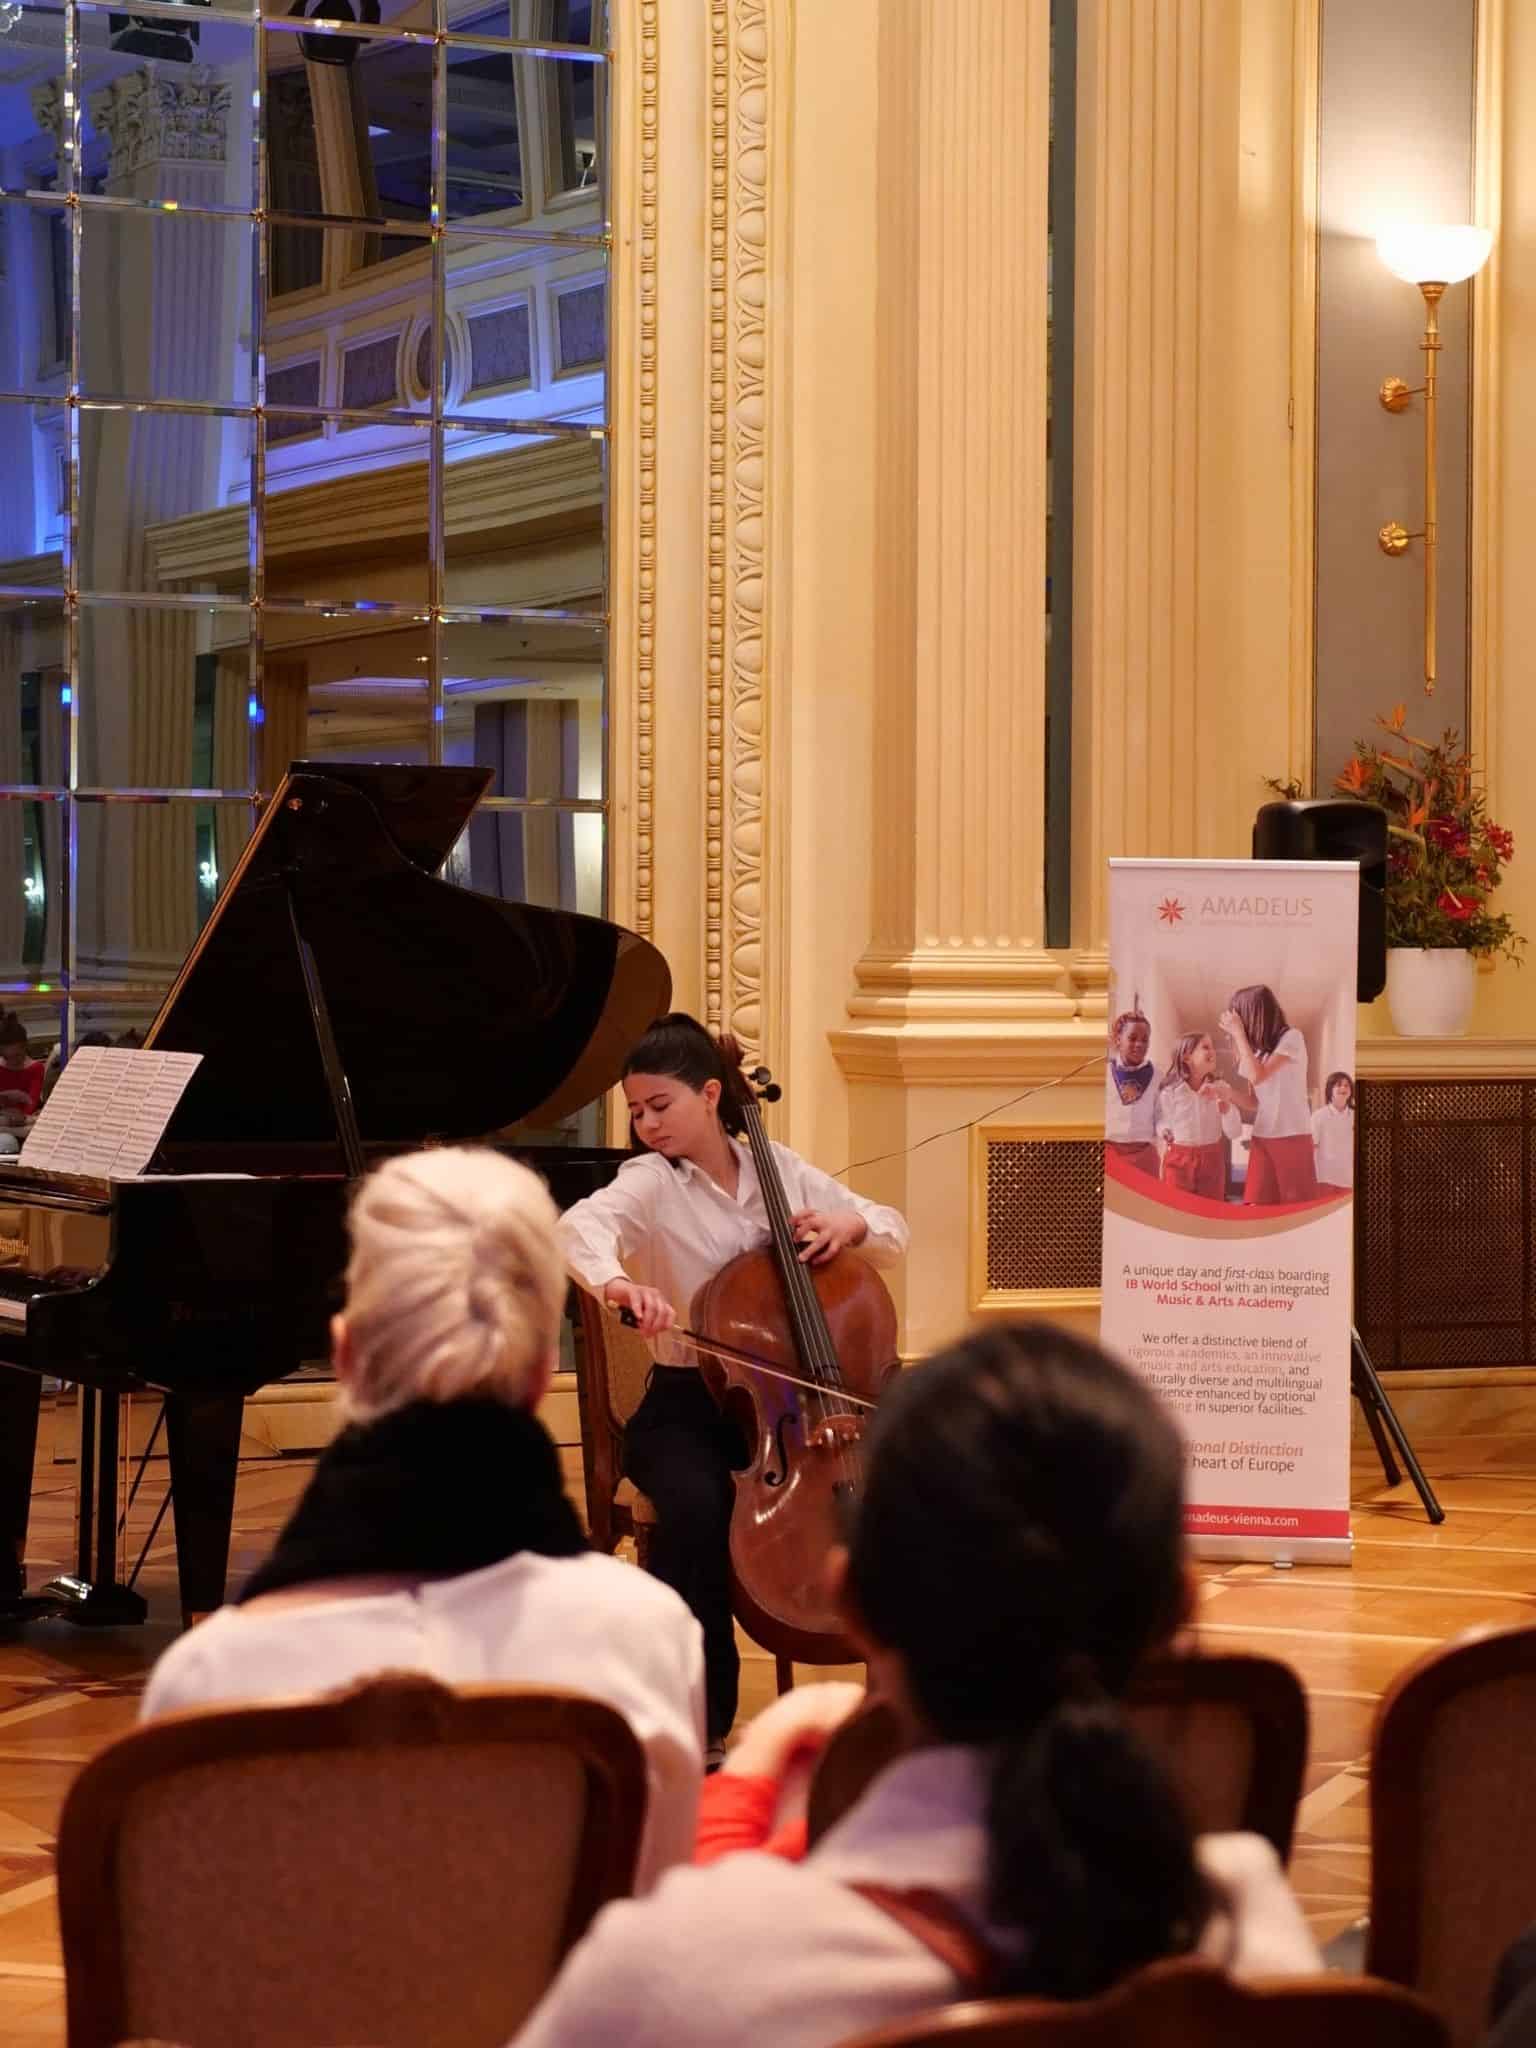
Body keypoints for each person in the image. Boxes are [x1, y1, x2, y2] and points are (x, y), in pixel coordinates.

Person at [509, 1324, 1320, 2048]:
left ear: (853, 1604)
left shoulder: (679, 1973)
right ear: (1176, 1611)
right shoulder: (1253, 1933)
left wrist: (748, 1778)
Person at [140, 1146, 705, 1893]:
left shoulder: (207, 1679)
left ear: (345, 1355)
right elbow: (643, 1919)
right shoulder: (649, 1636)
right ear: (543, 1374)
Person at [557, 1012, 908, 1761]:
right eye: (637, 1111)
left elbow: (891, 1229)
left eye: (661, 1105)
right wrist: (620, 1285)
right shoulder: (651, 1182)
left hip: (798, 1405)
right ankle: (700, 1718)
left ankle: (898, 1694)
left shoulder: (776, 1167)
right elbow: (576, 1231)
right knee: (694, 1508)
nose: (647, 1125)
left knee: (904, 1489)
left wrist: (848, 1227)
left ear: (712, 1094)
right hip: (685, 1405)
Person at [1218, 985, 1319, 1204]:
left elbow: (1258, 1075)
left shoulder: (1292, 1038)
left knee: (1295, 1206)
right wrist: (1229, 1093)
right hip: (1262, 1136)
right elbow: (1254, 1102)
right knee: (1256, 1205)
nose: (1239, 1024)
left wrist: (1239, 1035)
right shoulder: (1255, 1053)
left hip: (1292, 1135)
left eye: (1240, 1017)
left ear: (1253, 1015)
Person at [1156, 1032, 1241, 1201]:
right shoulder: (1171, 1091)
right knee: (1176, 1207)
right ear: (1186, 1057)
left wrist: (1226, 1107)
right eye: (1206, 1047)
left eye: (1213, 1047)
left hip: (1212, 1160)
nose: (1213, 1051)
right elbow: (1161, 1119)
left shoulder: (1220, 1088)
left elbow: (1235, 1132)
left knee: (1209, 1209)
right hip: (1178, 1160)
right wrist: (1164, 1130)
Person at [1104, 1009, 1160, 1178]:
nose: (1139, 1044)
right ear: (1118, 1039)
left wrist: (1166, 1130)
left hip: (1144, 1157)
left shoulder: (1157, 1076)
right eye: (1132, 1038)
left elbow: (1161, 1115)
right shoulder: (1105, 1074)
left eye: (1144, 1040)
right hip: (1110, 1154)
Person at [1310, 1071, 1355, 1196]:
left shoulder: (1356, 1116)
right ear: (1330, 1089)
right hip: (1325, 1177)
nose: (1343, 1088)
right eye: (1339, 1085)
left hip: (1348, 1177)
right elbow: (1312, 1146)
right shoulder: (1318, 1116)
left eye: (1346, 1085)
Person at [0, 1016, 45, 1129]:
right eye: (7, 1057)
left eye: (17, 1056)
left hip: (24, 1122)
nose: (12, 1061)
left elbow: (32, 1104)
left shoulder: (35, 1068)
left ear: (25, 1047)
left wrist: (21, 1117)